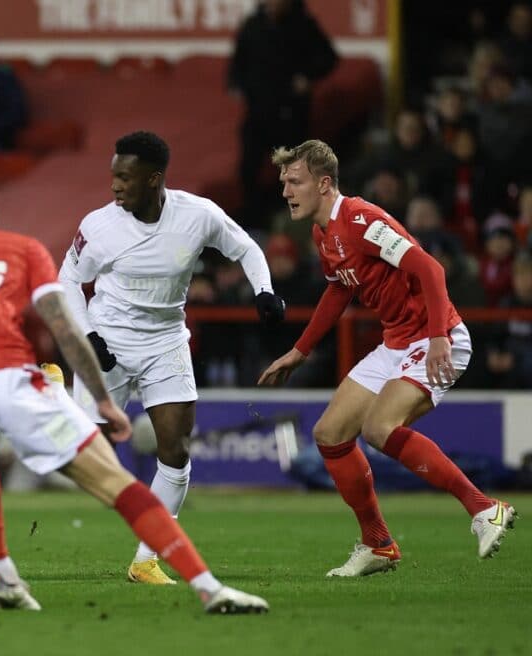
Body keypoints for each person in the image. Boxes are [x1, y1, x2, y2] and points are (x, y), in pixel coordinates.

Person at [0, 172, 268, 615]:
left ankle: (1, 575)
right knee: (114, 482)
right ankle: (210, 589)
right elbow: (65, 329)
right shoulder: (21, 248)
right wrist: (104, 400)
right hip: (8, 381)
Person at [258, 139, 516, 576]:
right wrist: (299, 352)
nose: (286, 191)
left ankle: (484, 508)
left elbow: (430, 269)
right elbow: (340, 288)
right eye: (284, 182)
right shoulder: (323, 235)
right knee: (330, 433)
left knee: (378, 428)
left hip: (437, 335)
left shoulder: (361, 220)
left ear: (324, 184)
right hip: (397, 342)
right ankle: (377, 544)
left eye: (295, 181)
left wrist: (438, 339)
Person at [57, 131, 285, 584]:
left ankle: (146, 559)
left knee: (176, 450)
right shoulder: (99, 226)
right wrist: (90, 337)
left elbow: (246, 248)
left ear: (154, 179)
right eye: (113, 175)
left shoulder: (197, 215)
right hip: (109, 341)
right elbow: (66, 281)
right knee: (79, 452)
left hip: (165, 342)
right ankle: (52, 398)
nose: (116, 185)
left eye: (126, 177)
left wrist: (264, 290)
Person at [228, 0, 337, 227]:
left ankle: (287, 221)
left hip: (290, 113)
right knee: (248, 167)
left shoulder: (304, 26)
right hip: (258, 111)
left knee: (291, 170)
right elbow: (238, 62)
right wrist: (237, 84)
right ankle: (252, 221)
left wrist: (307, 77)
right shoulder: (253, 25)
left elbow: (329, 58)